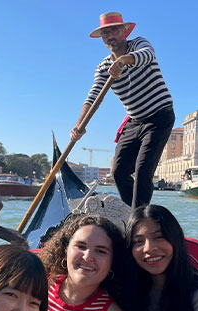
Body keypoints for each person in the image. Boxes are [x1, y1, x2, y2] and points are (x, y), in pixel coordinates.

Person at [70, 12, 175, 209]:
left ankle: (137, 220)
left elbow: (146, 55)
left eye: (114, 30)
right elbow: (92, 97)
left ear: (125, 31)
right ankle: (131, 213)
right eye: (105, 33)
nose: (110, 36)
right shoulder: (103, 68)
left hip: (159, 116)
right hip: (134, 121)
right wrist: (78, 126)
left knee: (143, 172)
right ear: (102, 39)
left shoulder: (139, 44)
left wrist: (123, 61)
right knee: (118, 172)